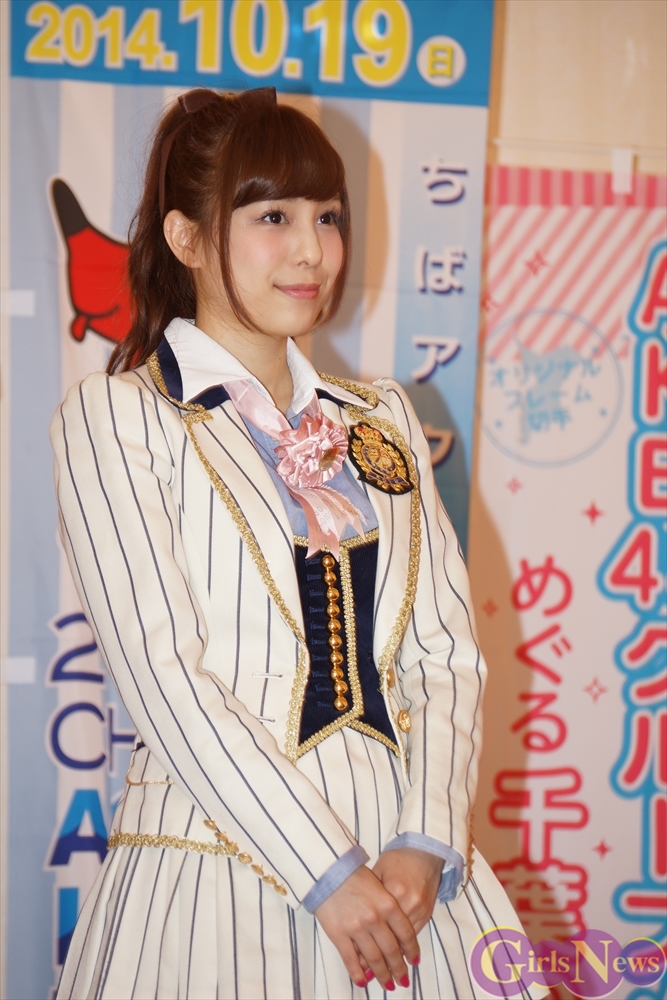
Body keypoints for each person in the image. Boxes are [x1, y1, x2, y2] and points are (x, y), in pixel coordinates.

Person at [51, 87, 541, 999]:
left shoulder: (383, 417)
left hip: (409, 879)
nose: (311, 249)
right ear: (186, 238)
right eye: (272, 216)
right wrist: (327, 874)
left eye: (327, 216)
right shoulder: (119, 417)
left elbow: (444, 652)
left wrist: (426, 842)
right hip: (215, 862)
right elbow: (163, 679)